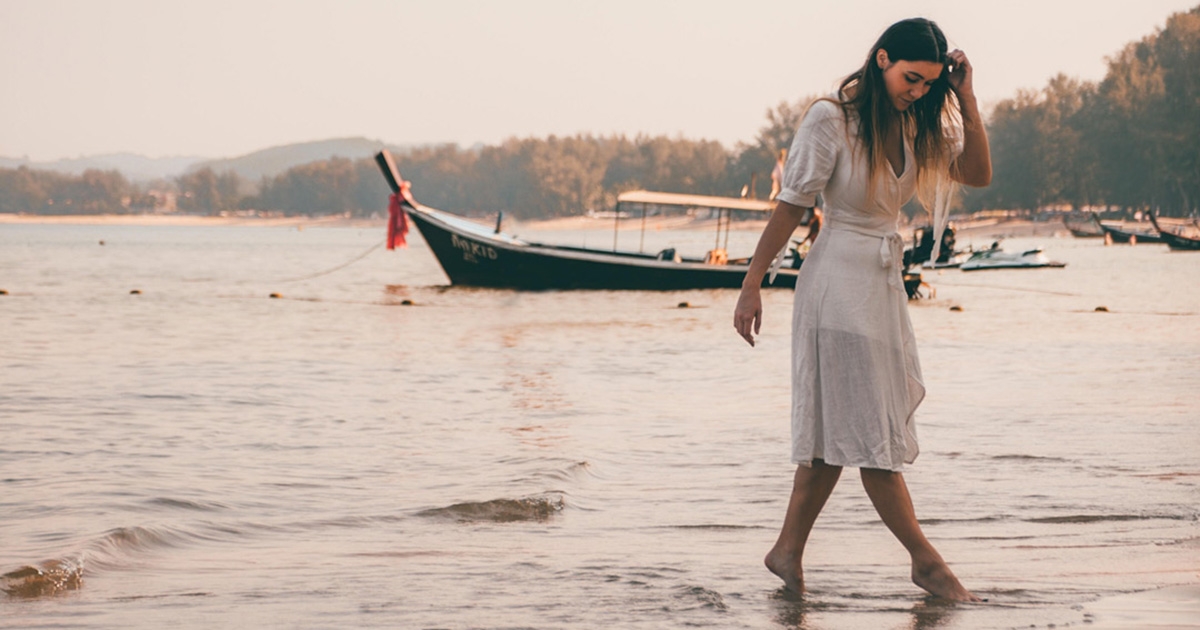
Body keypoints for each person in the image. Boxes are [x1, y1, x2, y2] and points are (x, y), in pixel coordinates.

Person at [732, 17, 991, 602]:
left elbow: (977, 173)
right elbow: (791, 205)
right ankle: (927, 563)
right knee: (871, 430)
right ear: (880, 60)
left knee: (835, 433)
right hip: (834, 286)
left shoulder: (914, 124)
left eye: (928, 83)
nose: (917, 91)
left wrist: (966, 99)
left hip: (880, 286)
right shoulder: (833, 119)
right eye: (910, 78)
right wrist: (752, 284)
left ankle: (787, 551)